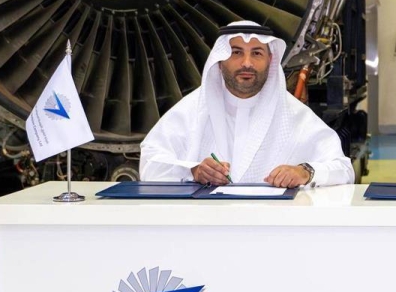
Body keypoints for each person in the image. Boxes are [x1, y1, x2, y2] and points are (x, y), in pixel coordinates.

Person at [140, 21, 354, 187]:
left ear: (270, 61)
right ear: (220, 60)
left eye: (257, 53)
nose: (247, 63)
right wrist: (192, 171)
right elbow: (149, 164)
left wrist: (305, 172)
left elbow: (343, 169)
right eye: (236, 52)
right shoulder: (192, 110)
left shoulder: (294, 114)